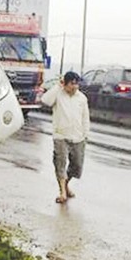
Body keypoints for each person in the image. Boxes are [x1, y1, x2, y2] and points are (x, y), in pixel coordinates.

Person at [40, 71, 91, 204]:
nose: (74, 87)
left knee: (77, 166)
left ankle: (66, 184)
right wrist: (58, 86)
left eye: (76, 84)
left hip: (78, 136)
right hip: (61, 135)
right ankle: (62, 192)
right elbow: (45, 100)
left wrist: (85, 134)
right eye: (71, 84)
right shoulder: (58, 94)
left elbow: (85, 117)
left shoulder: (82, 98)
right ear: (65, 84)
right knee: (60, 163)